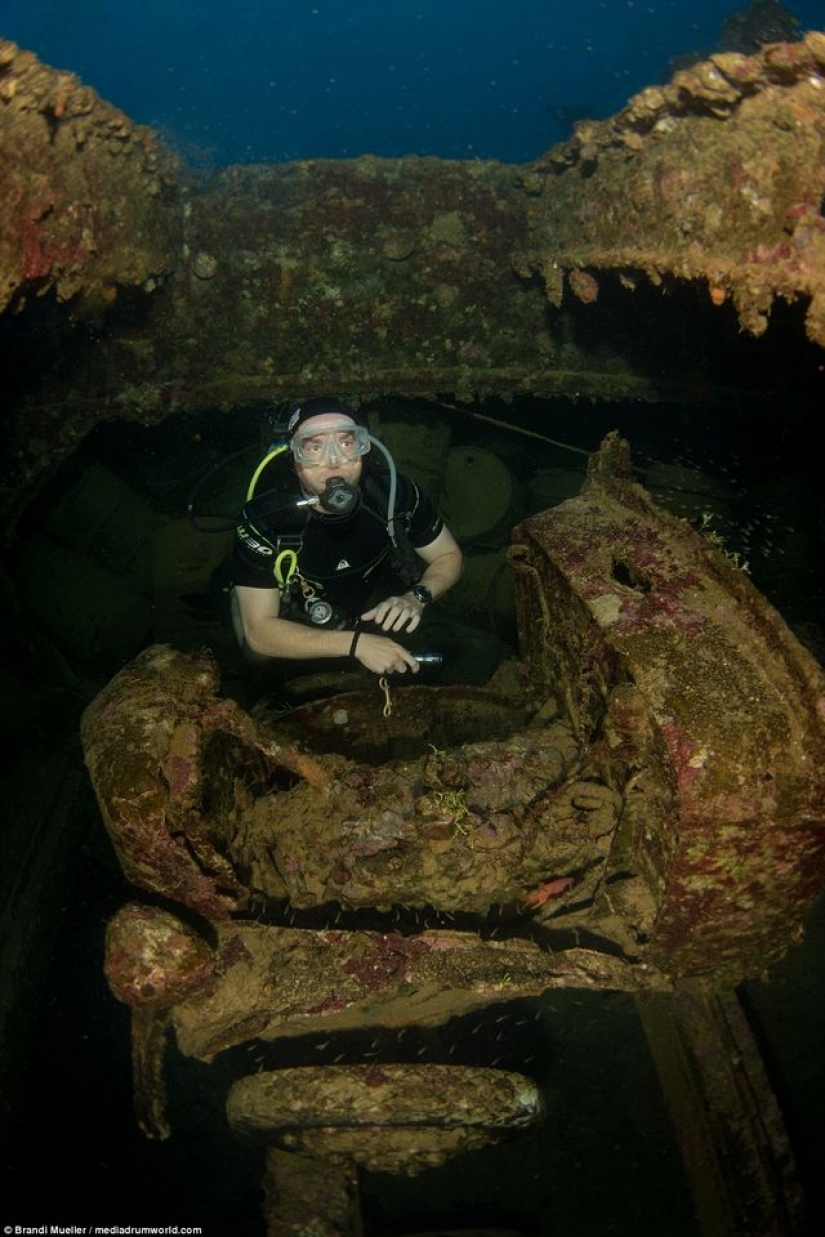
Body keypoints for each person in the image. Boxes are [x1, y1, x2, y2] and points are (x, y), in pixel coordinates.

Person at [229, 397, 462, 678]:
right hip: (292, 610)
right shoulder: (265, 518)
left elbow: (448, 556)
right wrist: (355, 645)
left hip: (364, 600)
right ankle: (235, 596)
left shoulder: (394, 494)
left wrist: (417, 597)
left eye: (346, 442)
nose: (334, 460)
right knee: (258, 658)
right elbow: (259, 632)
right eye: (314, 446)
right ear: (293, 457)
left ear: (364, 448)